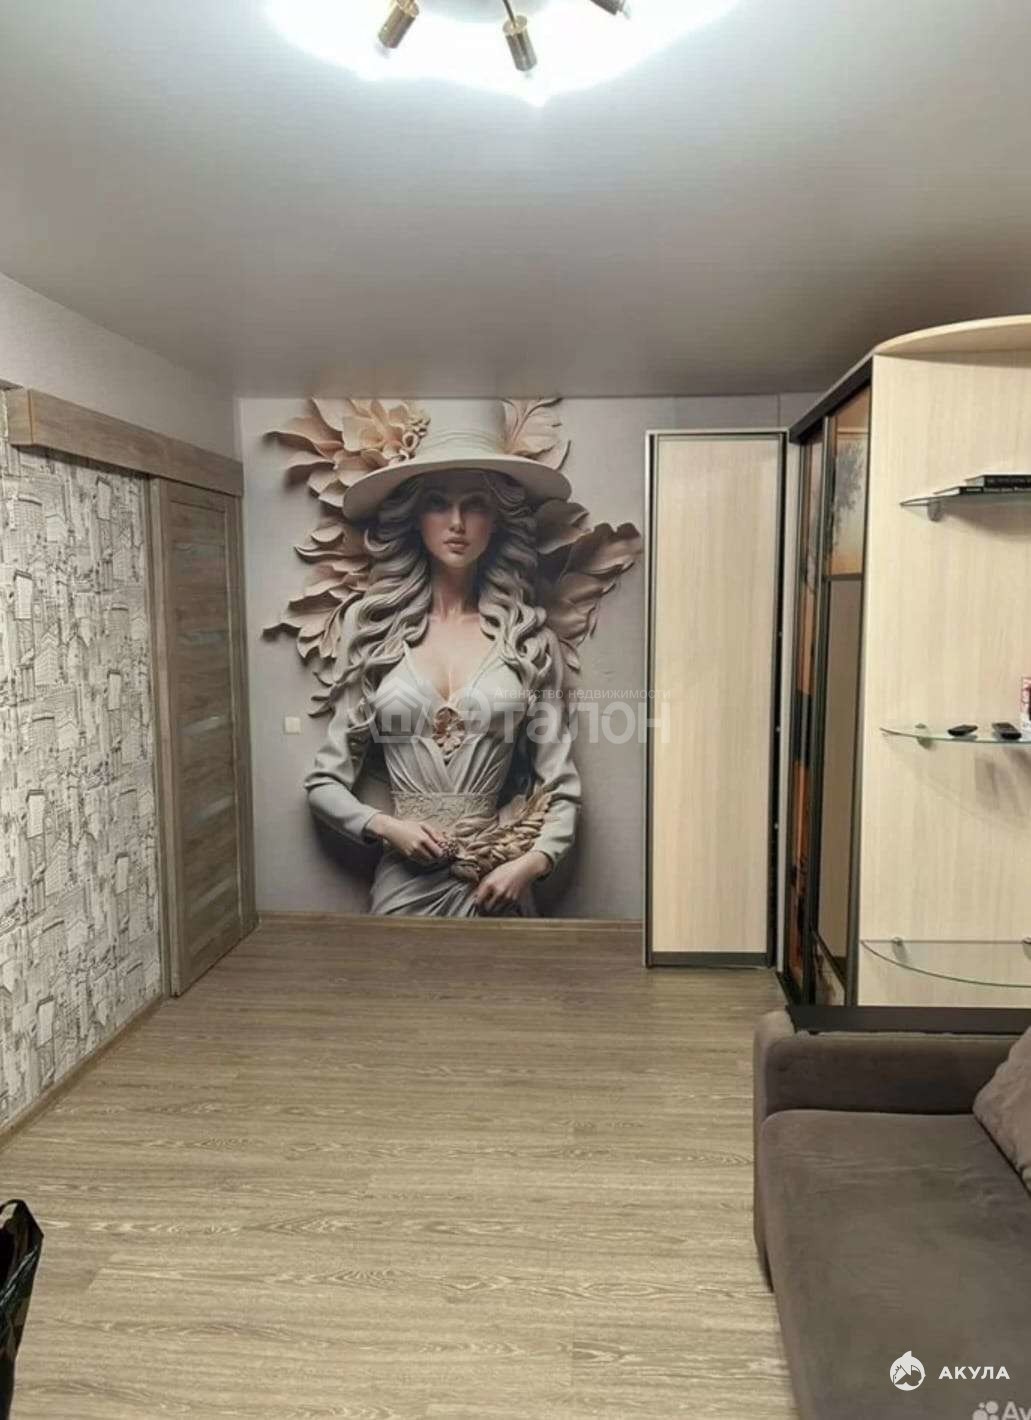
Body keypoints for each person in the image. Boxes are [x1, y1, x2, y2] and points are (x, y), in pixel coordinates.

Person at [304, 454, 581, 917]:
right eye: (438, 503)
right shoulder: (373, 631)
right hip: (404, 886)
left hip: (496, 882)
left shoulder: (529, 641)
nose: (457, 522)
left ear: (496, 520)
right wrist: (386, 827)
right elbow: (322, 784)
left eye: (475, 505)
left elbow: (561, 787)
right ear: (415, 518)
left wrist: (530, 864)